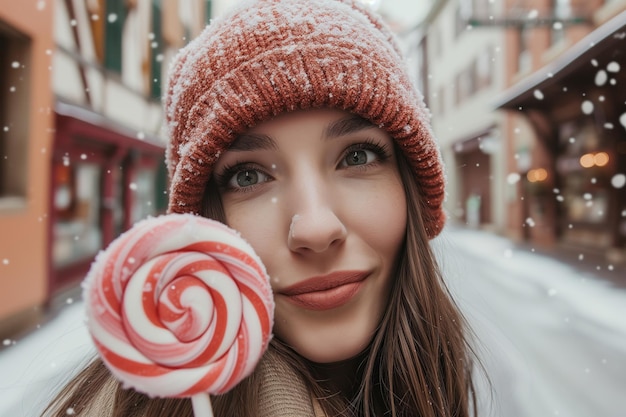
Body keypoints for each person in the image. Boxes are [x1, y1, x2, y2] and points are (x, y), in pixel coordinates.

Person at [43, 0, 479, 416]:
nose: (314, 227)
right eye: (248, 176)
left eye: (358, 156)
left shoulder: (429, 377)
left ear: (410, 187)